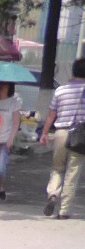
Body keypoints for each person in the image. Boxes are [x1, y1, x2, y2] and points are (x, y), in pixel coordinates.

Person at [40, 58, 85, 219]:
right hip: (80, 136)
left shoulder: (60, 91)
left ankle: (52, 194)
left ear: (73, 71)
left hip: (60, 132)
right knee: (72, 173)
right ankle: (64, 211)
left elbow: (51, 114)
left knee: (57, 168)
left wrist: (44, 133)